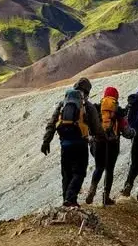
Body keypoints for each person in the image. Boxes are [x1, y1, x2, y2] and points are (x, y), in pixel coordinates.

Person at [41, 78, 103, 208]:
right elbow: (96, 128)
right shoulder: (88, 106)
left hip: (65, 145)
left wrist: (46, 141)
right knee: (79, 172)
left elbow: (52, 123)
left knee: (66, 174)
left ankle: (66, 201)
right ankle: (70, 199)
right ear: (87, 91)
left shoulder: (62, 104)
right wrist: (102, 138)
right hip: (80, 144)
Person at [85, 86, 135, 206]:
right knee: (109, 170)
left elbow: (89, 127)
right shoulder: (118, 111)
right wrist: (133, 133)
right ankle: (106, 197)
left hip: (98, 143)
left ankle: (92, 189)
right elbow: (127, 131)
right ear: (116, 97)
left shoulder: (96, 108)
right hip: (113, 144)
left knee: (99, 167)